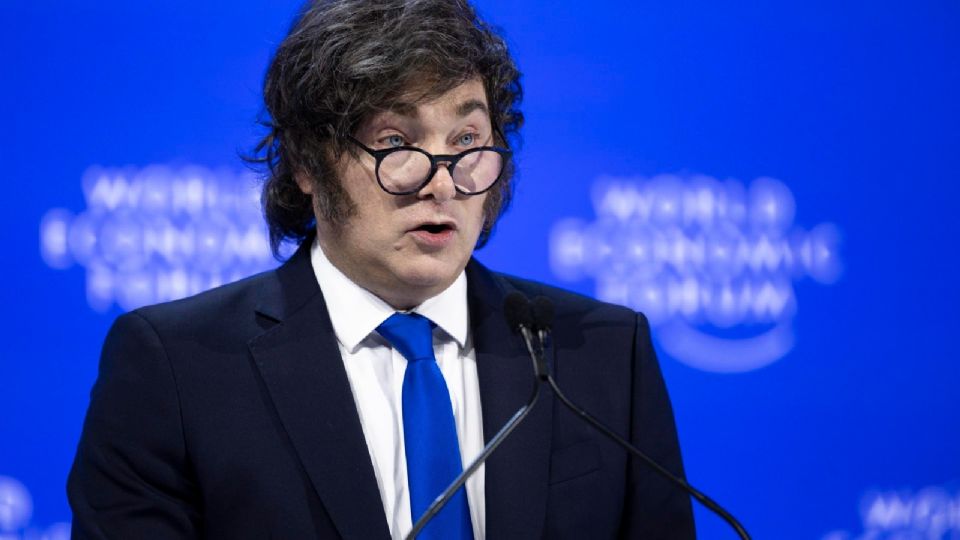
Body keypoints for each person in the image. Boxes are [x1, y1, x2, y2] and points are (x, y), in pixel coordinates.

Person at [67, 0, 695, 538]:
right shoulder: (176, 368)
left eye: (467, 141)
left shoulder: (601, 353)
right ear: (306, 163)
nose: (442, 183)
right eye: (396, 142)